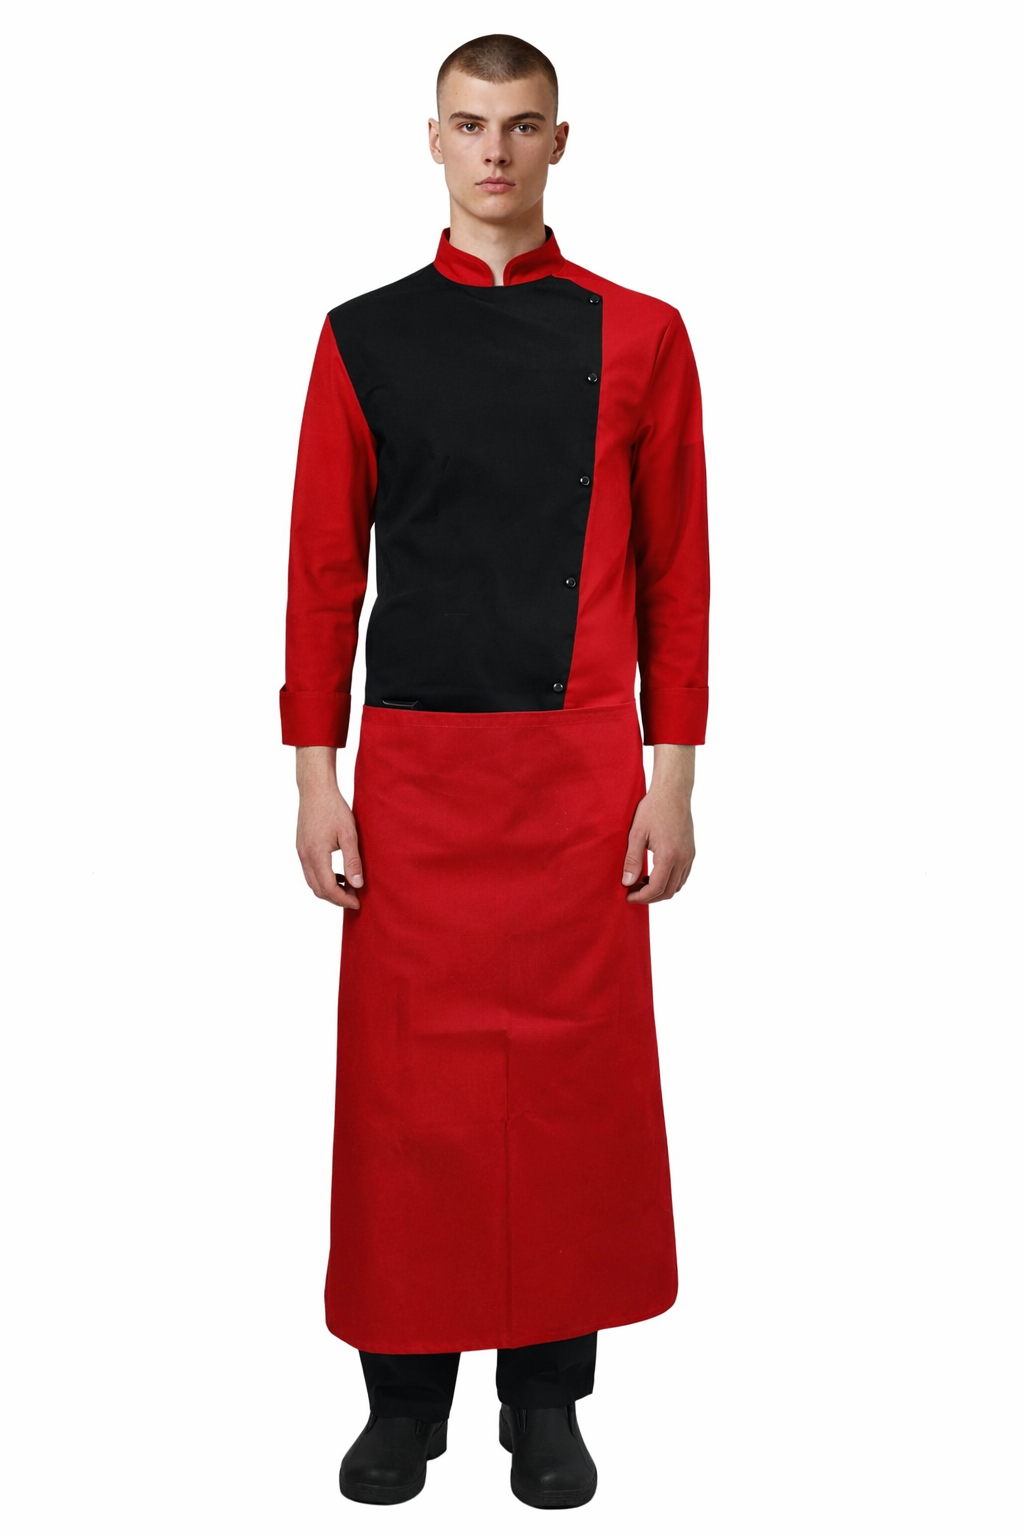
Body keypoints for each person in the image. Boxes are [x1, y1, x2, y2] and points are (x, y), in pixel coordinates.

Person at [280, 33, 709, 1510]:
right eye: (471, 126)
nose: (496, 153)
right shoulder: (362, 339)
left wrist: (672, 777)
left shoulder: (643, 336)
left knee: (569, 1105)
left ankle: (547, 1404)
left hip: (581, 772)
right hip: (414, 779)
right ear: (432, 139)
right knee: (413, 1105)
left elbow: (677, 577)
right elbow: (322, 574)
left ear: (560, 143)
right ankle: (404, 1408)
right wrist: (315, 778)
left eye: (522, 127)